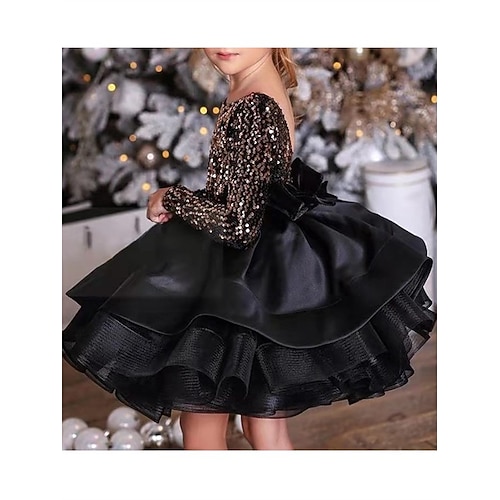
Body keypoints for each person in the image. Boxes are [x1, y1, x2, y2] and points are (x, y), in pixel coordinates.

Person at [62, 48, 436, 450]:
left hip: (243, 277)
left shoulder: (253, 105)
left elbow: (238, 225)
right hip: (266, 264)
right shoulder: (260, 83)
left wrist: (174, 198)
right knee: (264, 426)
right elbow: (249, 191)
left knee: (201, 424)